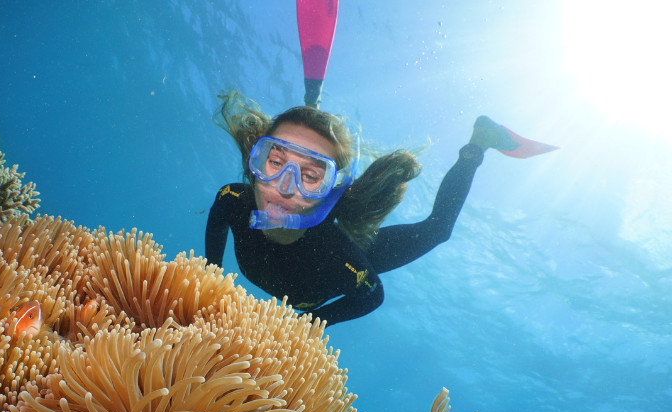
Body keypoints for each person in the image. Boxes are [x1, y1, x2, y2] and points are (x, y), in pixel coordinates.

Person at [205, 92, 544, 325]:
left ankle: (479, 143)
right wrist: (210, 281)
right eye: (275, 161)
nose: (283, 185)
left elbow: (370, 297)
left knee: (439, 229)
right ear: (255, 161)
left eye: (310, 176)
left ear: (330, 194)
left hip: (352, 246)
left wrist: (309, 324)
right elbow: (212, 256)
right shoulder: (232, 201)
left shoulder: (342, 258)